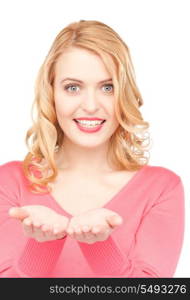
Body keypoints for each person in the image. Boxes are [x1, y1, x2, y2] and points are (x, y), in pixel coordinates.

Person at [0, 20, 184, 278]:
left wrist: (99, 246)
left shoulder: (161, 188)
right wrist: (42, 245)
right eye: (72, 87)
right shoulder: (10, 182)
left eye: (107, 87)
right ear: (51, 93)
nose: (90, 105)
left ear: (124, 95)